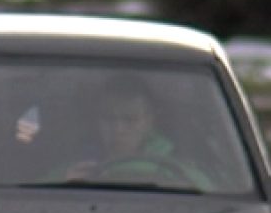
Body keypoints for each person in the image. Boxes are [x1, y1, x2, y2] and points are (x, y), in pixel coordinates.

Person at [64, 79, 213, 190]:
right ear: (96, 120)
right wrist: (67, 186)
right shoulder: (75, 163)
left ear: (150, 121)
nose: (118, 129)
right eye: (108, 118)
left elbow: (208, 196)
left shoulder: (178, 169)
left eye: (130, 120)